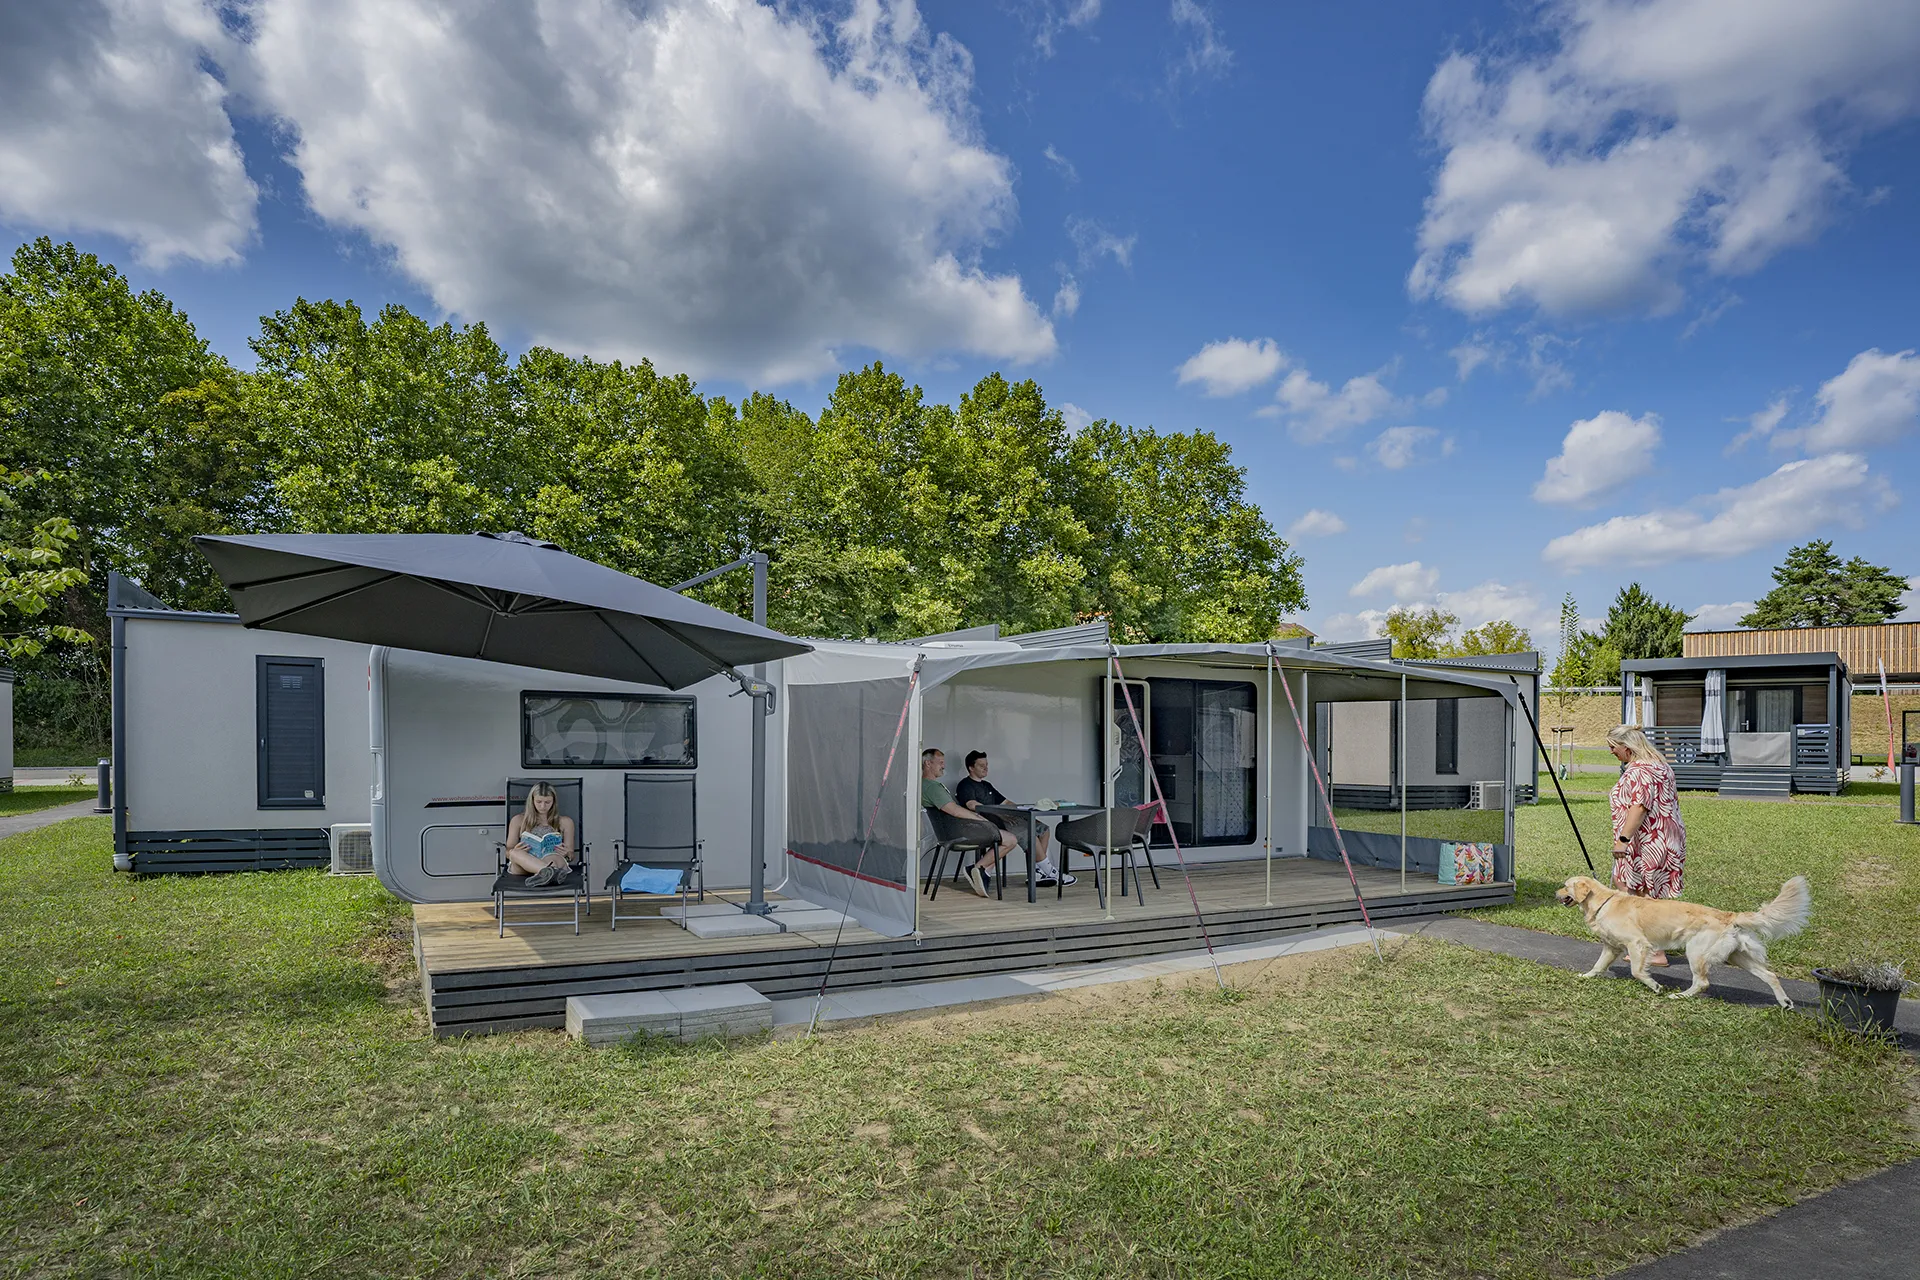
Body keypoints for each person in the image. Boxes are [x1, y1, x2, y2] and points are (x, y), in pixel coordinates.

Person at [1606, 724, 1686, 966]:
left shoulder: (1639, 771)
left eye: (1613, 747)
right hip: (1667, 836)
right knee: (1650, 891)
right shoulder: (1661, 766)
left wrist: (1623, 840)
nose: (1611, 752)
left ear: (1627, 747)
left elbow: (1639, 807)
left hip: (1647, 838)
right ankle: (1651, 944)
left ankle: (1652, 951)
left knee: (1640, 892)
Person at [955, 750, 1075, 888]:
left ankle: (1037, 873)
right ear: (971, 767)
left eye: (987, 764)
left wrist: (1021, 810)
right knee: (1029, 832)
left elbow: (1006, 802)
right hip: (988, 824)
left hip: (1005, 819)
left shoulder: (986, 785)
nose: (986, 768)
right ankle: (1051, 871)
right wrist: (1001, 814)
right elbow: (971, 805)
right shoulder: (965, 785)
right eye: (981, 765)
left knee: (1043, 829)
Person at [921, 747, 1020, 898]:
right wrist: (981, 819)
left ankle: (983, 871)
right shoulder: (933, 787)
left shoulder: (924, 785)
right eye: (940, 762)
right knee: (1011, 839)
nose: (944, 766)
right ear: (928, 763)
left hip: (949, 833)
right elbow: (955, 810)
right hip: (959, 833)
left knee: (1003, 837)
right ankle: (977, 868)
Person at [505, 782, 576, 887]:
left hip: (551, 860)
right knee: (514, 853)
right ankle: (548, 873)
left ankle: (544, 874)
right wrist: (516, 849)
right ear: (532, 801)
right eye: (539, 802)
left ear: (554, 802)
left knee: (553, 858)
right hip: (525, 864)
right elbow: (507, 851)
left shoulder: (565, 822)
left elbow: (571, 854)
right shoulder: (518, 820)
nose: (543, 806)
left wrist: (567, 853)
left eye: (547, 802)